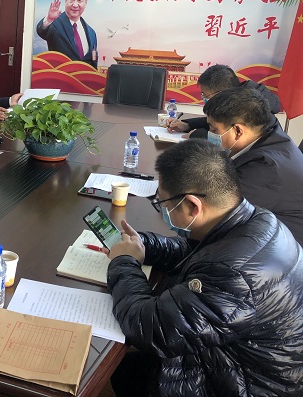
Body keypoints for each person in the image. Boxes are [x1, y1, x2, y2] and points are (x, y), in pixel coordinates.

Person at [106, 139, 303, 397]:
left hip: (248, 384)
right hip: (245, 360)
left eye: (163, 204)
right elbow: (198, 252)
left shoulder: (233, 273)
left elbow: (152, 329)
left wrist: (124, 262)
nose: (163, 209)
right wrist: (143, 245)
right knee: (126, 370)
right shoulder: (256, 220)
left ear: (193, 206)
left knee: (123, 372)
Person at [202, 86, 303, 243]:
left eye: (213, 129)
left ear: (238, 131)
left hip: (282, 251)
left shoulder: (266, 168)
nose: (210, 134)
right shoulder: (270, 134)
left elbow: (212, 213)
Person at [166, 64, 281, 138]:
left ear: (220, 93)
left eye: (205, 95)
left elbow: (228, 137)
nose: (204, 98)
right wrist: (187, 125)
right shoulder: (238, 96)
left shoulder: (250, 106)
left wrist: (197, 135)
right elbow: (218, 122)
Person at [36, 0, 98, 69]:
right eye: (72, 0)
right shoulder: (55, 23)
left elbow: (93, 60)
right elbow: (42, 31)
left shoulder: (91, 33)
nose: (75, 5)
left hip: (85, 77)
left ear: (86, 2)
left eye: (79, 0)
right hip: (61, 76)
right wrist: (49, 19)